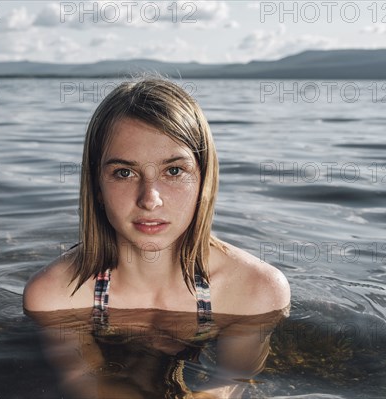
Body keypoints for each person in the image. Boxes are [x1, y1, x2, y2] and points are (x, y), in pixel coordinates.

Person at [23, 77, 290, 397]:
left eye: (173, 171)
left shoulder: (255, 291)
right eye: (124, 172)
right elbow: (86, 382)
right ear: (97, 184)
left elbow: (229, 382)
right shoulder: (55, 296)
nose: (150, 199)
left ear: (203, 177)